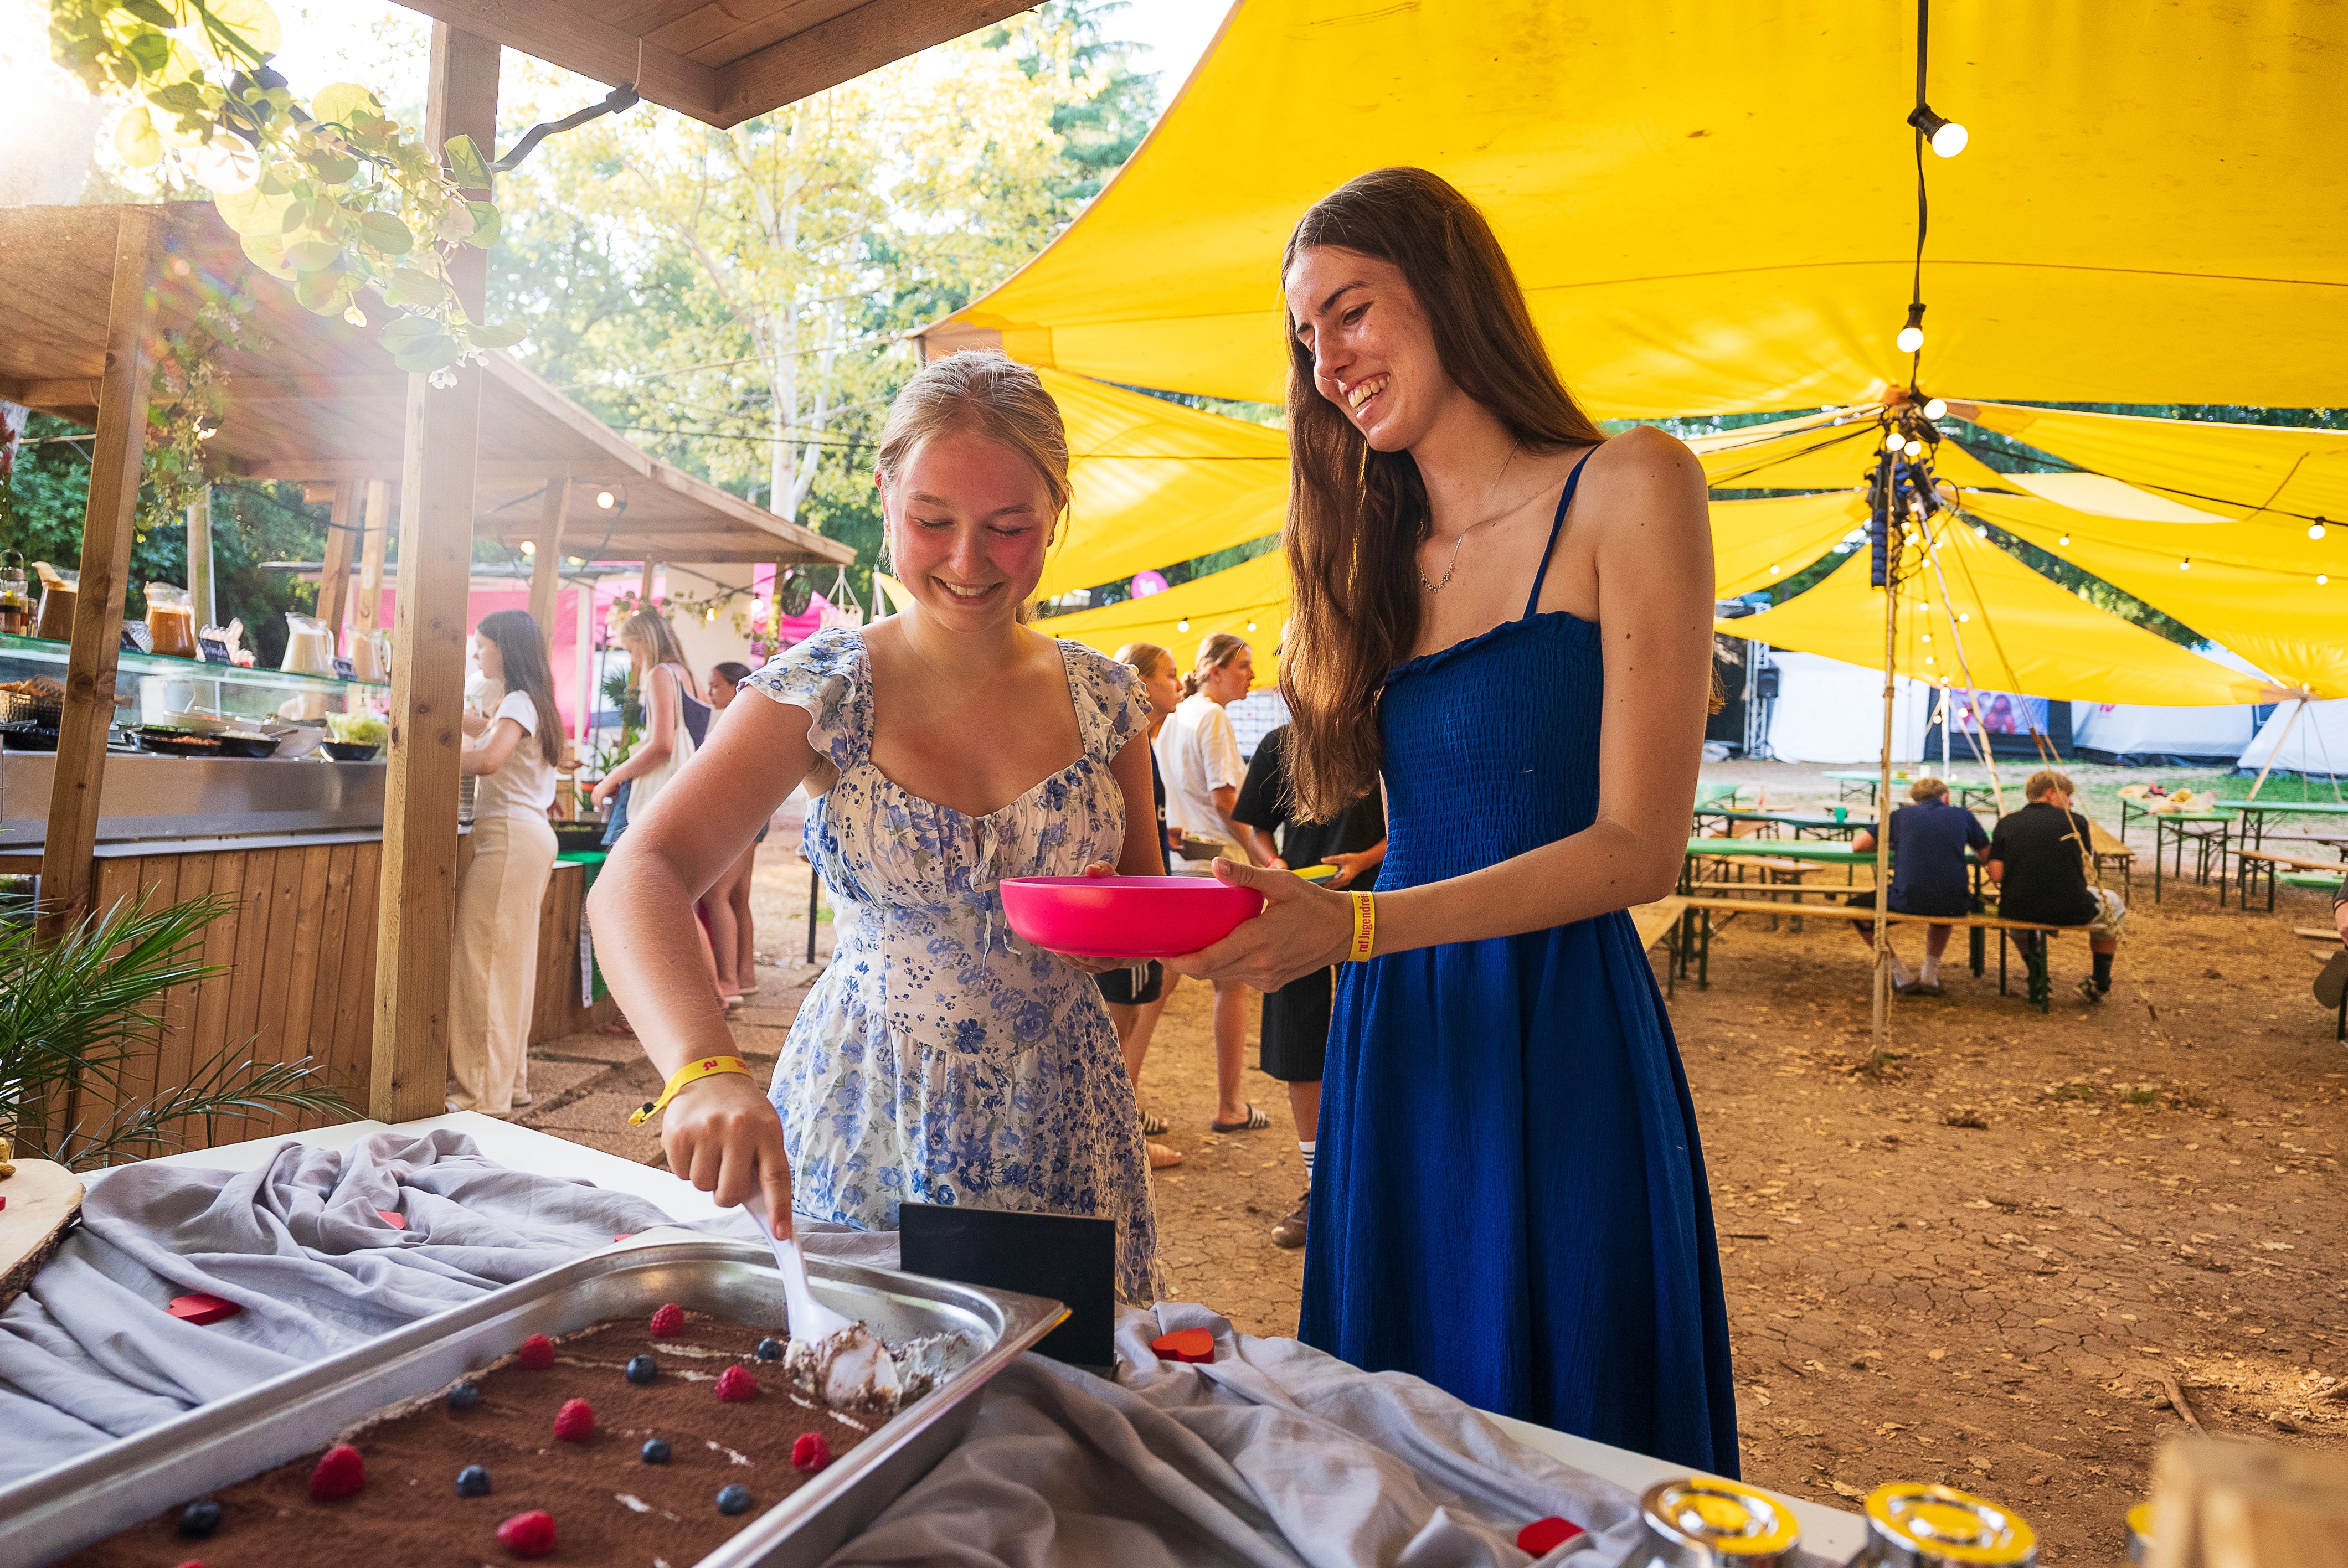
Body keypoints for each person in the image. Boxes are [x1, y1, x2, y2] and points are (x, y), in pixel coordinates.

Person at [1100, 167, 1733, 1469]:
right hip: (1397, 1030)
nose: (1328, 360)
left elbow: (1638, 844)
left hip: (1553, 1021)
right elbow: (1430, 817)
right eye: (1304, 336)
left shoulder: (1628, 484)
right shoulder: (1368, 560)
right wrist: (1285, 890)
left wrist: (1357, 921)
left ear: (1446, 292)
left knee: (1564, 1426)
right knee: (1401, 1429)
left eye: (1351, 311)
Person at [585, 349, 1168, 1301]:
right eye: (933, 521)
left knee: (1054, 1408)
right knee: (854, 1387)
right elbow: (641, 871)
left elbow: (1146, 926)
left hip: (1064, 1117)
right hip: (867, 1106)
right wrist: (703, 1067)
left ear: (1056, 516)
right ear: (887, 493)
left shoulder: (1108, 702)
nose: (968, 561)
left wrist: (1151, 939)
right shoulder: (825, 686)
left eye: (1010, 527)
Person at [1230, 715, 1385, 1247]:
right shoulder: (1280, 744)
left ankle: (1375, 1187)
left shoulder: (1380, 730)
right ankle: (1320, 1191)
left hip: (1383, 907)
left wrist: (1367, 857)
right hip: (1295, 909)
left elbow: (1420, 819)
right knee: (1301, 1044)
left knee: (1382, 1040)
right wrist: (1273, 864)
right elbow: (1254, 827)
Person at [1152, 632, 1272, 1134]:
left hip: (1184, 865)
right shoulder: (1215, 718)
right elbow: (1227, 802)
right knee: (1232, 985)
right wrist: (1266, 857)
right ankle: (1230, 1104)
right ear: (1216, 670)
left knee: (1158, 985)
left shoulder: (1176, 719)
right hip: (1221, 868)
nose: (1252, 675)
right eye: (1243, 665)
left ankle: (1129, 1086)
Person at [449, 609, 562, 1117]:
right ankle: (507, 1085)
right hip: (528, 837)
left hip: (509, 839)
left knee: (484, 967)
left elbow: (489, 758)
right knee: (509, 968)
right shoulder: (531, 700)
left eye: (482, 645)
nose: (476, 654)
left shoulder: (517, 699)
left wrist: (420, 752)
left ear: (505, 650)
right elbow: (487, 729)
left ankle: (478, 1096)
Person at [1101, 641, 1184, 1171]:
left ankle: (1120, 1128)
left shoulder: (1145, 743)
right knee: (1120, 1026)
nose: (1179, 685)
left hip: (1140, 905)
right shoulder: (1124, 734)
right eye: (1170, 675)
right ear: (1139, 681)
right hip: (1128, 913)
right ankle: (1119, 1140)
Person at [1843, 776, 1989, 997]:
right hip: (1954, 902)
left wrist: (1894, 843)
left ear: (1913, 800)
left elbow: (1858, 845)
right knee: (1944, 902)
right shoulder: (1963, 815)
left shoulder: (1901, 816)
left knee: (1858, 910)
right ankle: (1930, 975)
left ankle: (1900, 974)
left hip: (1907, 899)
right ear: (1946, 797)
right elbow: (1987, 855)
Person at [1986, 769, 2124, 1004]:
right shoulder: (2076, 822)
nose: (2071, 802)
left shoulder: (2006, 822)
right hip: (2070, 908)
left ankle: (2039, 976)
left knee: (2017, 921)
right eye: (2068, 795)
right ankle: (2100, 981)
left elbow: (1997, 876)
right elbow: (2080, 871)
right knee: (2115, 904)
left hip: (2019, 908)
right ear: (2051, 793)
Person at [702, 660, 764, 1004]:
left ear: (734, 685)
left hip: (740, 815)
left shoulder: (738, 720)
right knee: (738, 897)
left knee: (716, 896)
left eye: (715, 685)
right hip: (753, 815)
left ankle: (728, 983)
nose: (710, 692)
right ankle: (745, 975)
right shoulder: (746, 718)